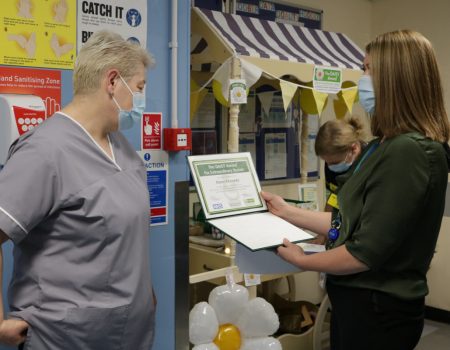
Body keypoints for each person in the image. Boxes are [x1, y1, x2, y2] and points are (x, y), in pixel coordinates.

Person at [262, 29, 450, 350]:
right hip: (358, 304)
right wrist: (286, 211)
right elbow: (350, 221)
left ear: (395, 79)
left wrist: (304, 261)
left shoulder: (410, 150)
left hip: (378, 309)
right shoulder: (382, 145)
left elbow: (366, 251)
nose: (362, 78)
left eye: (368, 69)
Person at [0, 30, 157, 349]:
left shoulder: (122, 147)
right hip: (63, 337)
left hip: (130, 333)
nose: (141, 99)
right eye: (139, 88)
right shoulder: (44, 151)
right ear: (112, 82)